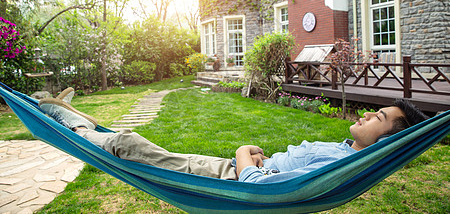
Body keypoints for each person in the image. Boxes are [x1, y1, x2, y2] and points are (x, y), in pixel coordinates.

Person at [39, 88, 430, 183]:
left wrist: (245, 154)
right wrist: (264, 161)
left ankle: (70, 121)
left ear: (389, 140)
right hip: (237, 170)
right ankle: (79, 121)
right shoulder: (346, 150)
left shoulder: (340, 163)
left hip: (228, 178)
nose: (365, 114)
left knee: (128, 144)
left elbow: (260, 188)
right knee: (126, 143)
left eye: (377, 116)